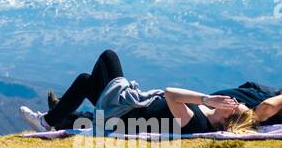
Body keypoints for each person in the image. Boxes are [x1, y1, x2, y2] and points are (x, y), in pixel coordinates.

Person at [19, 49, 254, 135]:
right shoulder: (203, 113)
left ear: (226, 118)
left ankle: (55, 121)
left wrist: (207, 98)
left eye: (234, 105)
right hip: (128, 109)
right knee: (85, 81)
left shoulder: (197, 123)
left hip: (122, 115)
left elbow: (171, 93)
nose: (231, 100)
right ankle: (50, 122)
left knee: (109, 57)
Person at [212, 80, 282, 125]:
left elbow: (266, 106)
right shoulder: (274, 96)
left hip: (208, 110)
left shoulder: (264, 110)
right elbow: (250, 85)